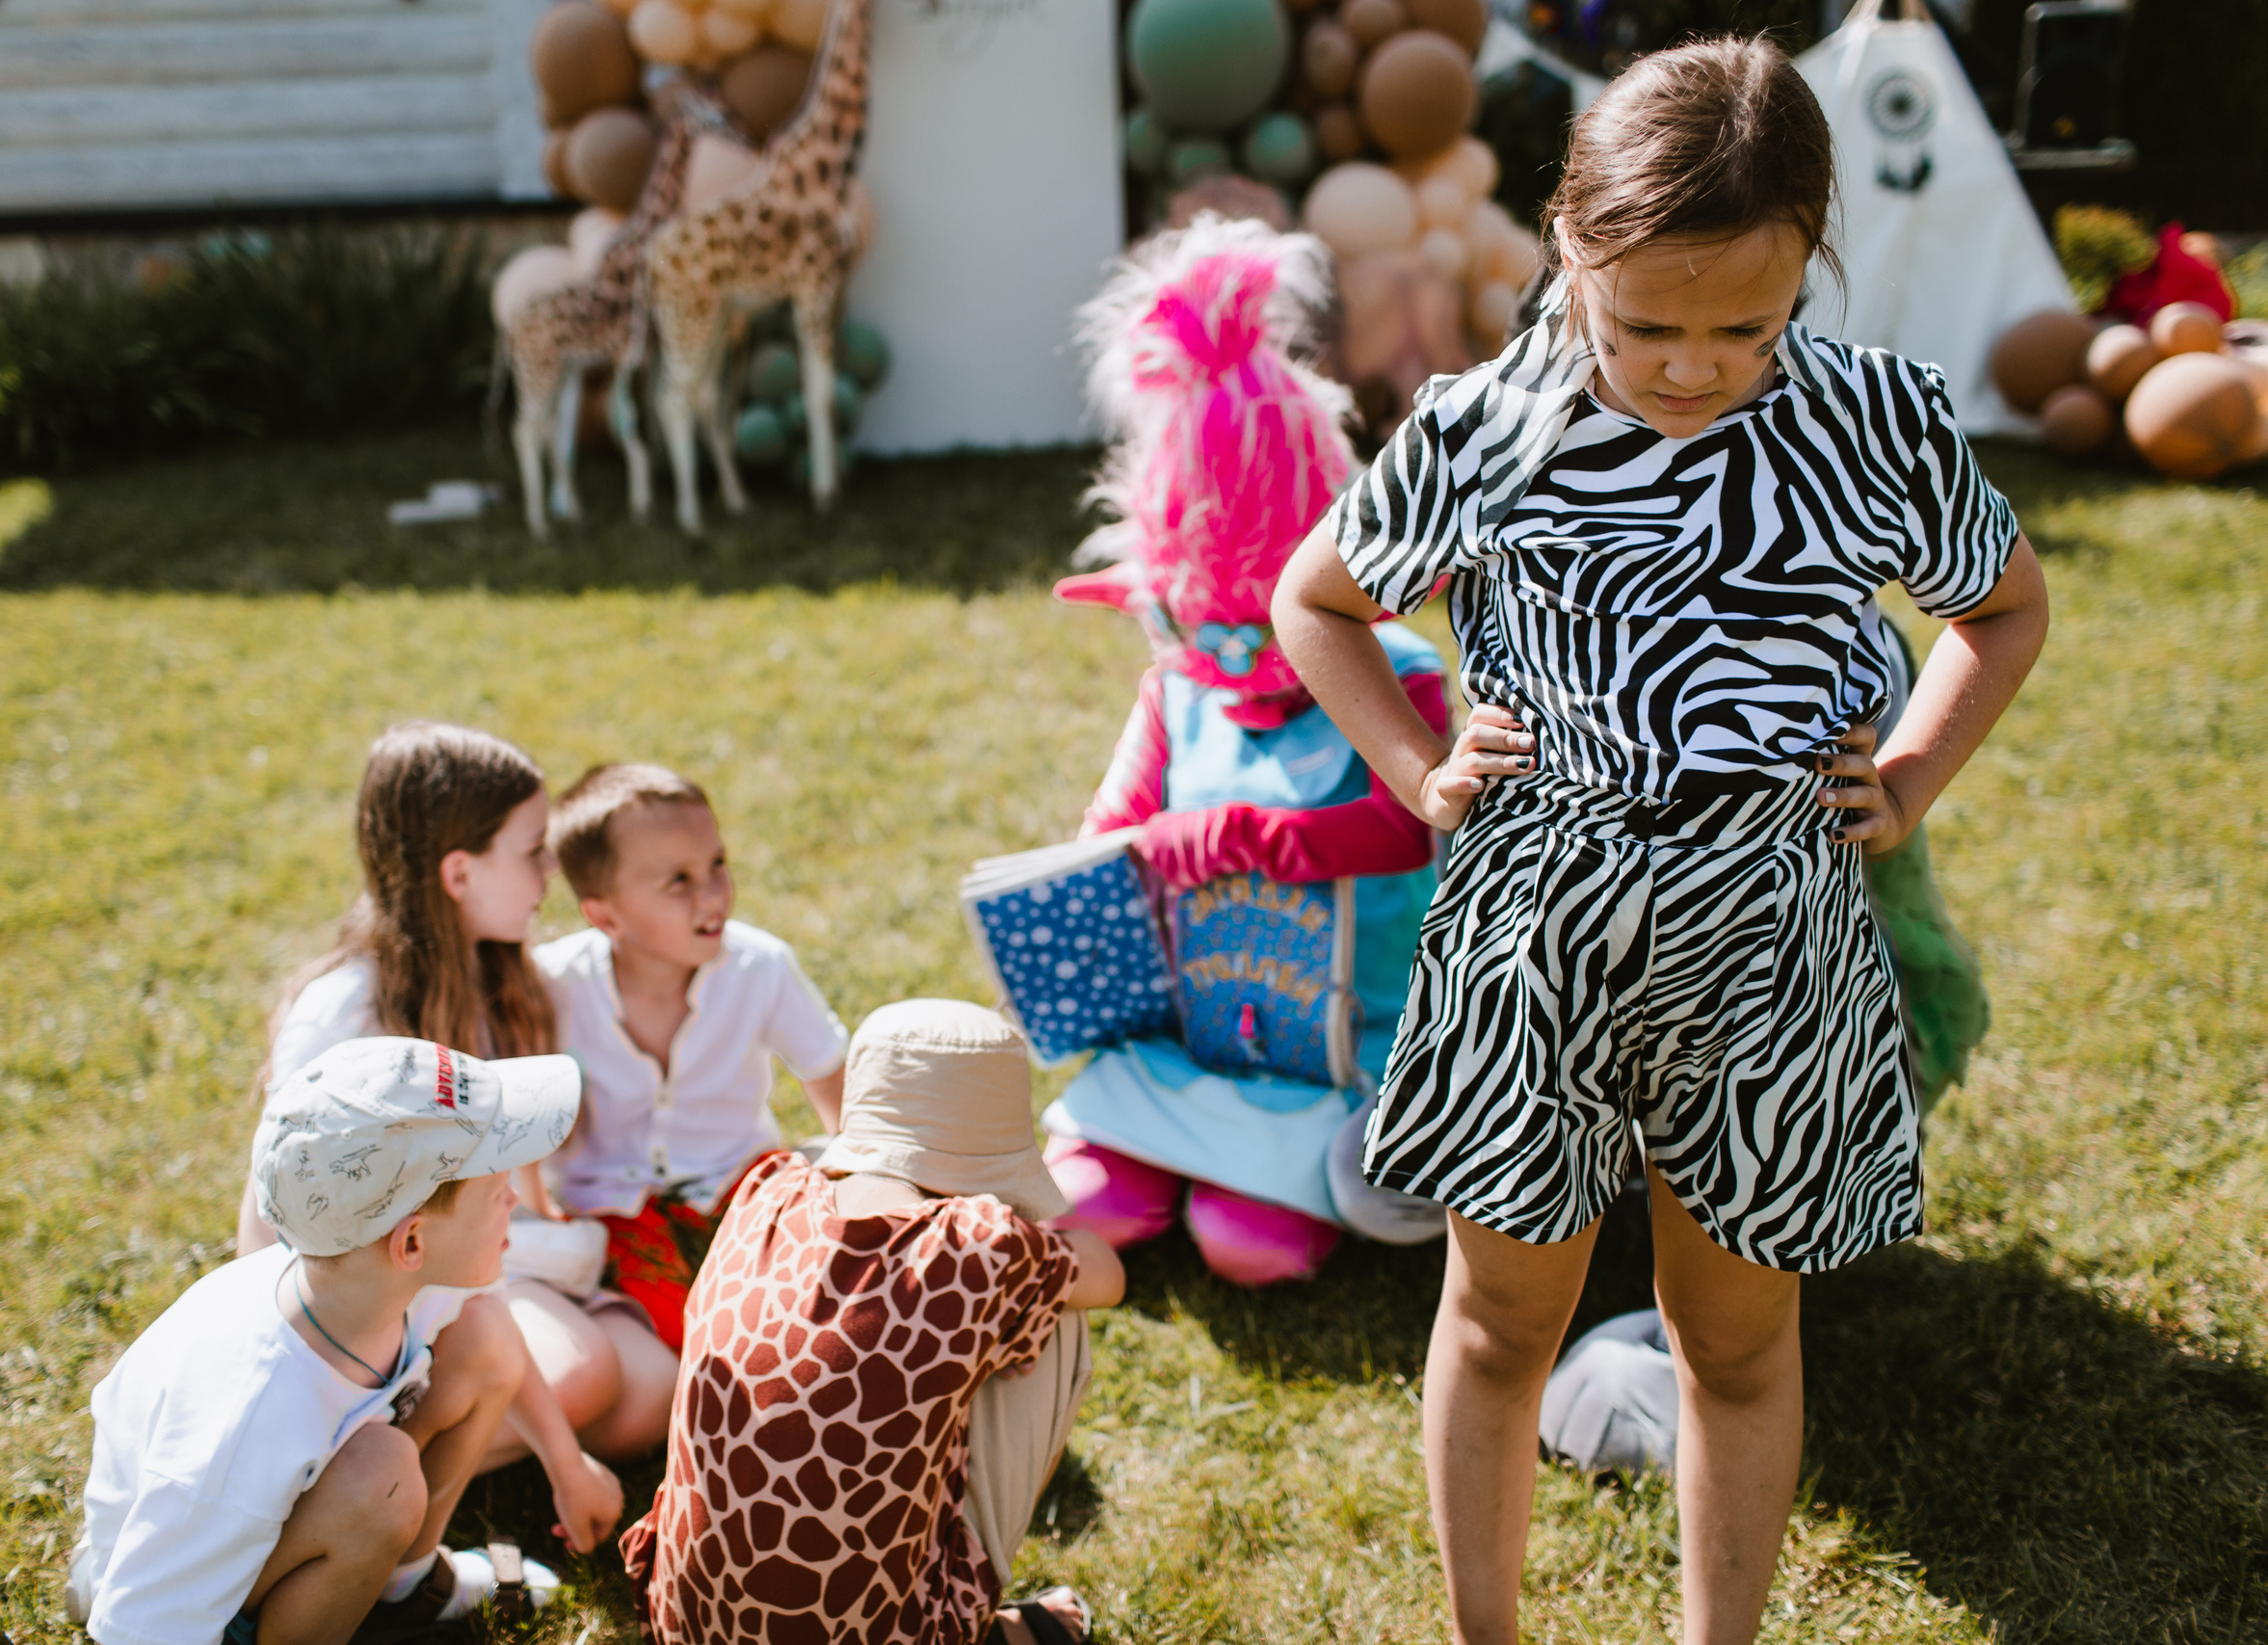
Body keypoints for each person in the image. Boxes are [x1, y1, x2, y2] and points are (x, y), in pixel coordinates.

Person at [1272, 38, 2047, 1645]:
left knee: (1739, 1340)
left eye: (1740, 327)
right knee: (1498, 1321)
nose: (1689, 367)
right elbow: (1316, 601)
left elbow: (2003, 605)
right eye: (1646, 326)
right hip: (1532, 945)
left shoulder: (1873, 423)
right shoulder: (1485, 425)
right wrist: (1417, 762)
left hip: (1773, 947)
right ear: (1570, 245)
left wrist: (1907, 773)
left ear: (1808, 268)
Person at [1035, 212, 1510, 1285]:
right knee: (1086, 1206)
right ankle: (1161, 1147)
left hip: (1343, 1043)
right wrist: (1111, 873)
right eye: (1207, 637)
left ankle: (1298, 1169)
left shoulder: (1399, 674)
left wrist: (1248, 837)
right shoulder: (1176, 688)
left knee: (1248, 1247)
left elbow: (1408, 824)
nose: (1240, 671)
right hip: (1191, 1029)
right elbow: (1110, 831)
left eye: (1269, 635)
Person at [68, 1037, 624, 1645]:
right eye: (497, 1194)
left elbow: (495, 1349)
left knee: (485, 1336)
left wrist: (567, 1467)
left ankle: (401, 1588)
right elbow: (138, 1627)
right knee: (380, 1479)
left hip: (279, 1522)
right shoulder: (247, 1414)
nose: (516, 1202)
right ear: (411, 1242)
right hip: (191, 1589)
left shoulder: (380, 1280)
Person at [233, 721, 671, 1465]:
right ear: (460, 874)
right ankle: (366, 1471)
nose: (549, 874)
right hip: (389, 1288)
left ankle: (456, 1440)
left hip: (492, 1259)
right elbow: (269, 1213)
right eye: (533, 851)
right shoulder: (346, 1011)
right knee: (589, 1368)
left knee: (656, 1388)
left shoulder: (504, 978)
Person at [621, 999, 1124, 1645]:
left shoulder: (765, 1191)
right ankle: (962, 1621)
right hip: (869, 1633)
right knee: (1059, 1305)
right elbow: (1106, 1272)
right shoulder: (978, 1248)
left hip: (687, 1621)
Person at [525, 763, 849, 1365]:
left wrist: (858, 1188)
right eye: (678, 880)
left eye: (717, 864)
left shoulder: (759, 966)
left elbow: (833, 1085)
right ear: (605, 917)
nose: (713, 893)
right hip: (610, 1209)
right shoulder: (552, 987)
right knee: (695, 1336)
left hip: (744, 1184)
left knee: (806, 1303)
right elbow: (521, 1125)